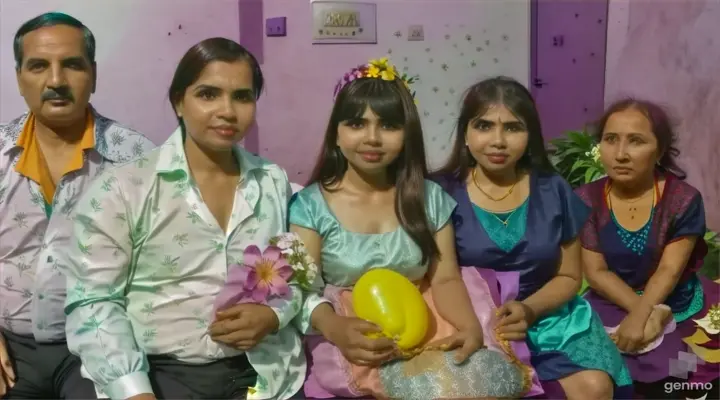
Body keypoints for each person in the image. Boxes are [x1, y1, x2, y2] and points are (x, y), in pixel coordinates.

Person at [59, 38, 304, 400]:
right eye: (208, 94)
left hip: (267, 374)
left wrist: (274, 316)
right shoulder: (125, 189)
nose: (227, 111)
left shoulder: (272, 182)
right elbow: (92, 301)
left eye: (242, 96)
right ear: (178, 101)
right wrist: (133, 390)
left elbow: (298, 272)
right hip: (160, 376)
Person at [289, 58, 532, 400]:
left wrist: (469, 328)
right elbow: (301, 291)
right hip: (353, 336)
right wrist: (335, 327)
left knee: (484, 383)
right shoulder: (310, 206)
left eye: (388, 125)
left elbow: (445, 276)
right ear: (337, 134)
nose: (372, 138)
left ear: (407, 133)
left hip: (432, 322)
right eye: (357, 124)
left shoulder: (429, 199)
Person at [433, 77, 633, 399]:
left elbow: (569, 275)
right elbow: (437, 277)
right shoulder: (440, 193)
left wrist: (528, 310)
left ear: (530, 136)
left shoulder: (553, 190)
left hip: (550, 318)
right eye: (484, 126)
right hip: (472, 321)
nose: (498, 141)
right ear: (465, 134)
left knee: (595, 387)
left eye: (513, 128)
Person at [0, 12, 154, 399]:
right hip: (7, 346)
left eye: (72, 65)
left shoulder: (136, 159)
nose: (55, 81)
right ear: (19, 78)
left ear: (94, 74)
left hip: (97, 347)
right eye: (38, 66)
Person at [576, 99, 719, 397]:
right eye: (610, 139)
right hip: (613, 301)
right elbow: (597, 272)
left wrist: (644, 316)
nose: (620, 154)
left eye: (636, 141)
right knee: (598, 374)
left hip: (676, 302)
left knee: (683, 372)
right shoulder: (585, 199)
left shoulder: (682, 200)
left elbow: (668, 270)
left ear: (660, 150)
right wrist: (645, 315)